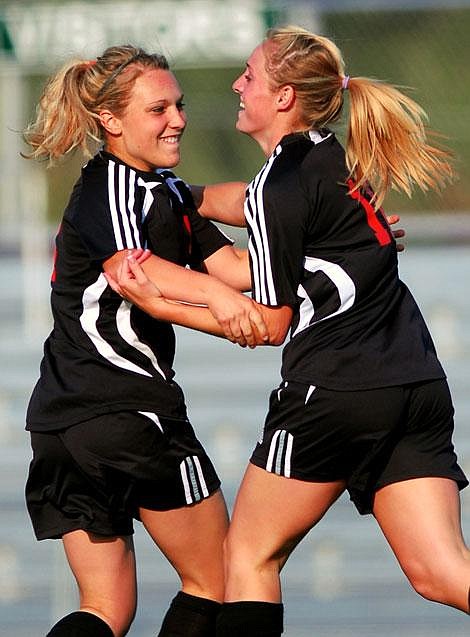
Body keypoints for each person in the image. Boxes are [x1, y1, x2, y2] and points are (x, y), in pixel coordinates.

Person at [108, 26, 470, 637]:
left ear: (283, 98)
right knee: (441, 571)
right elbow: (241, 201)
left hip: (335, 391)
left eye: (249, 76)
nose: (236, 85)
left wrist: (161, 302)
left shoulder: (284, 184)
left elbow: (271, 325)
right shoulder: (331, 158)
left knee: (247, 559)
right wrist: (182, 195)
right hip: (415, 385)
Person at [22, 44, 271, 637]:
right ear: (110, 120)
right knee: (221, 581)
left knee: (105, 608)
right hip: (126, 410)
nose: (178, 119)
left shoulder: (162, 189)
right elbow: (137, 270)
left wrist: (323, 237)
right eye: (158, 109)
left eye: (179, 106)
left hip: (64, 424)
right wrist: (221, 303)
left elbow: (232, 263)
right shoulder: (112, 187)